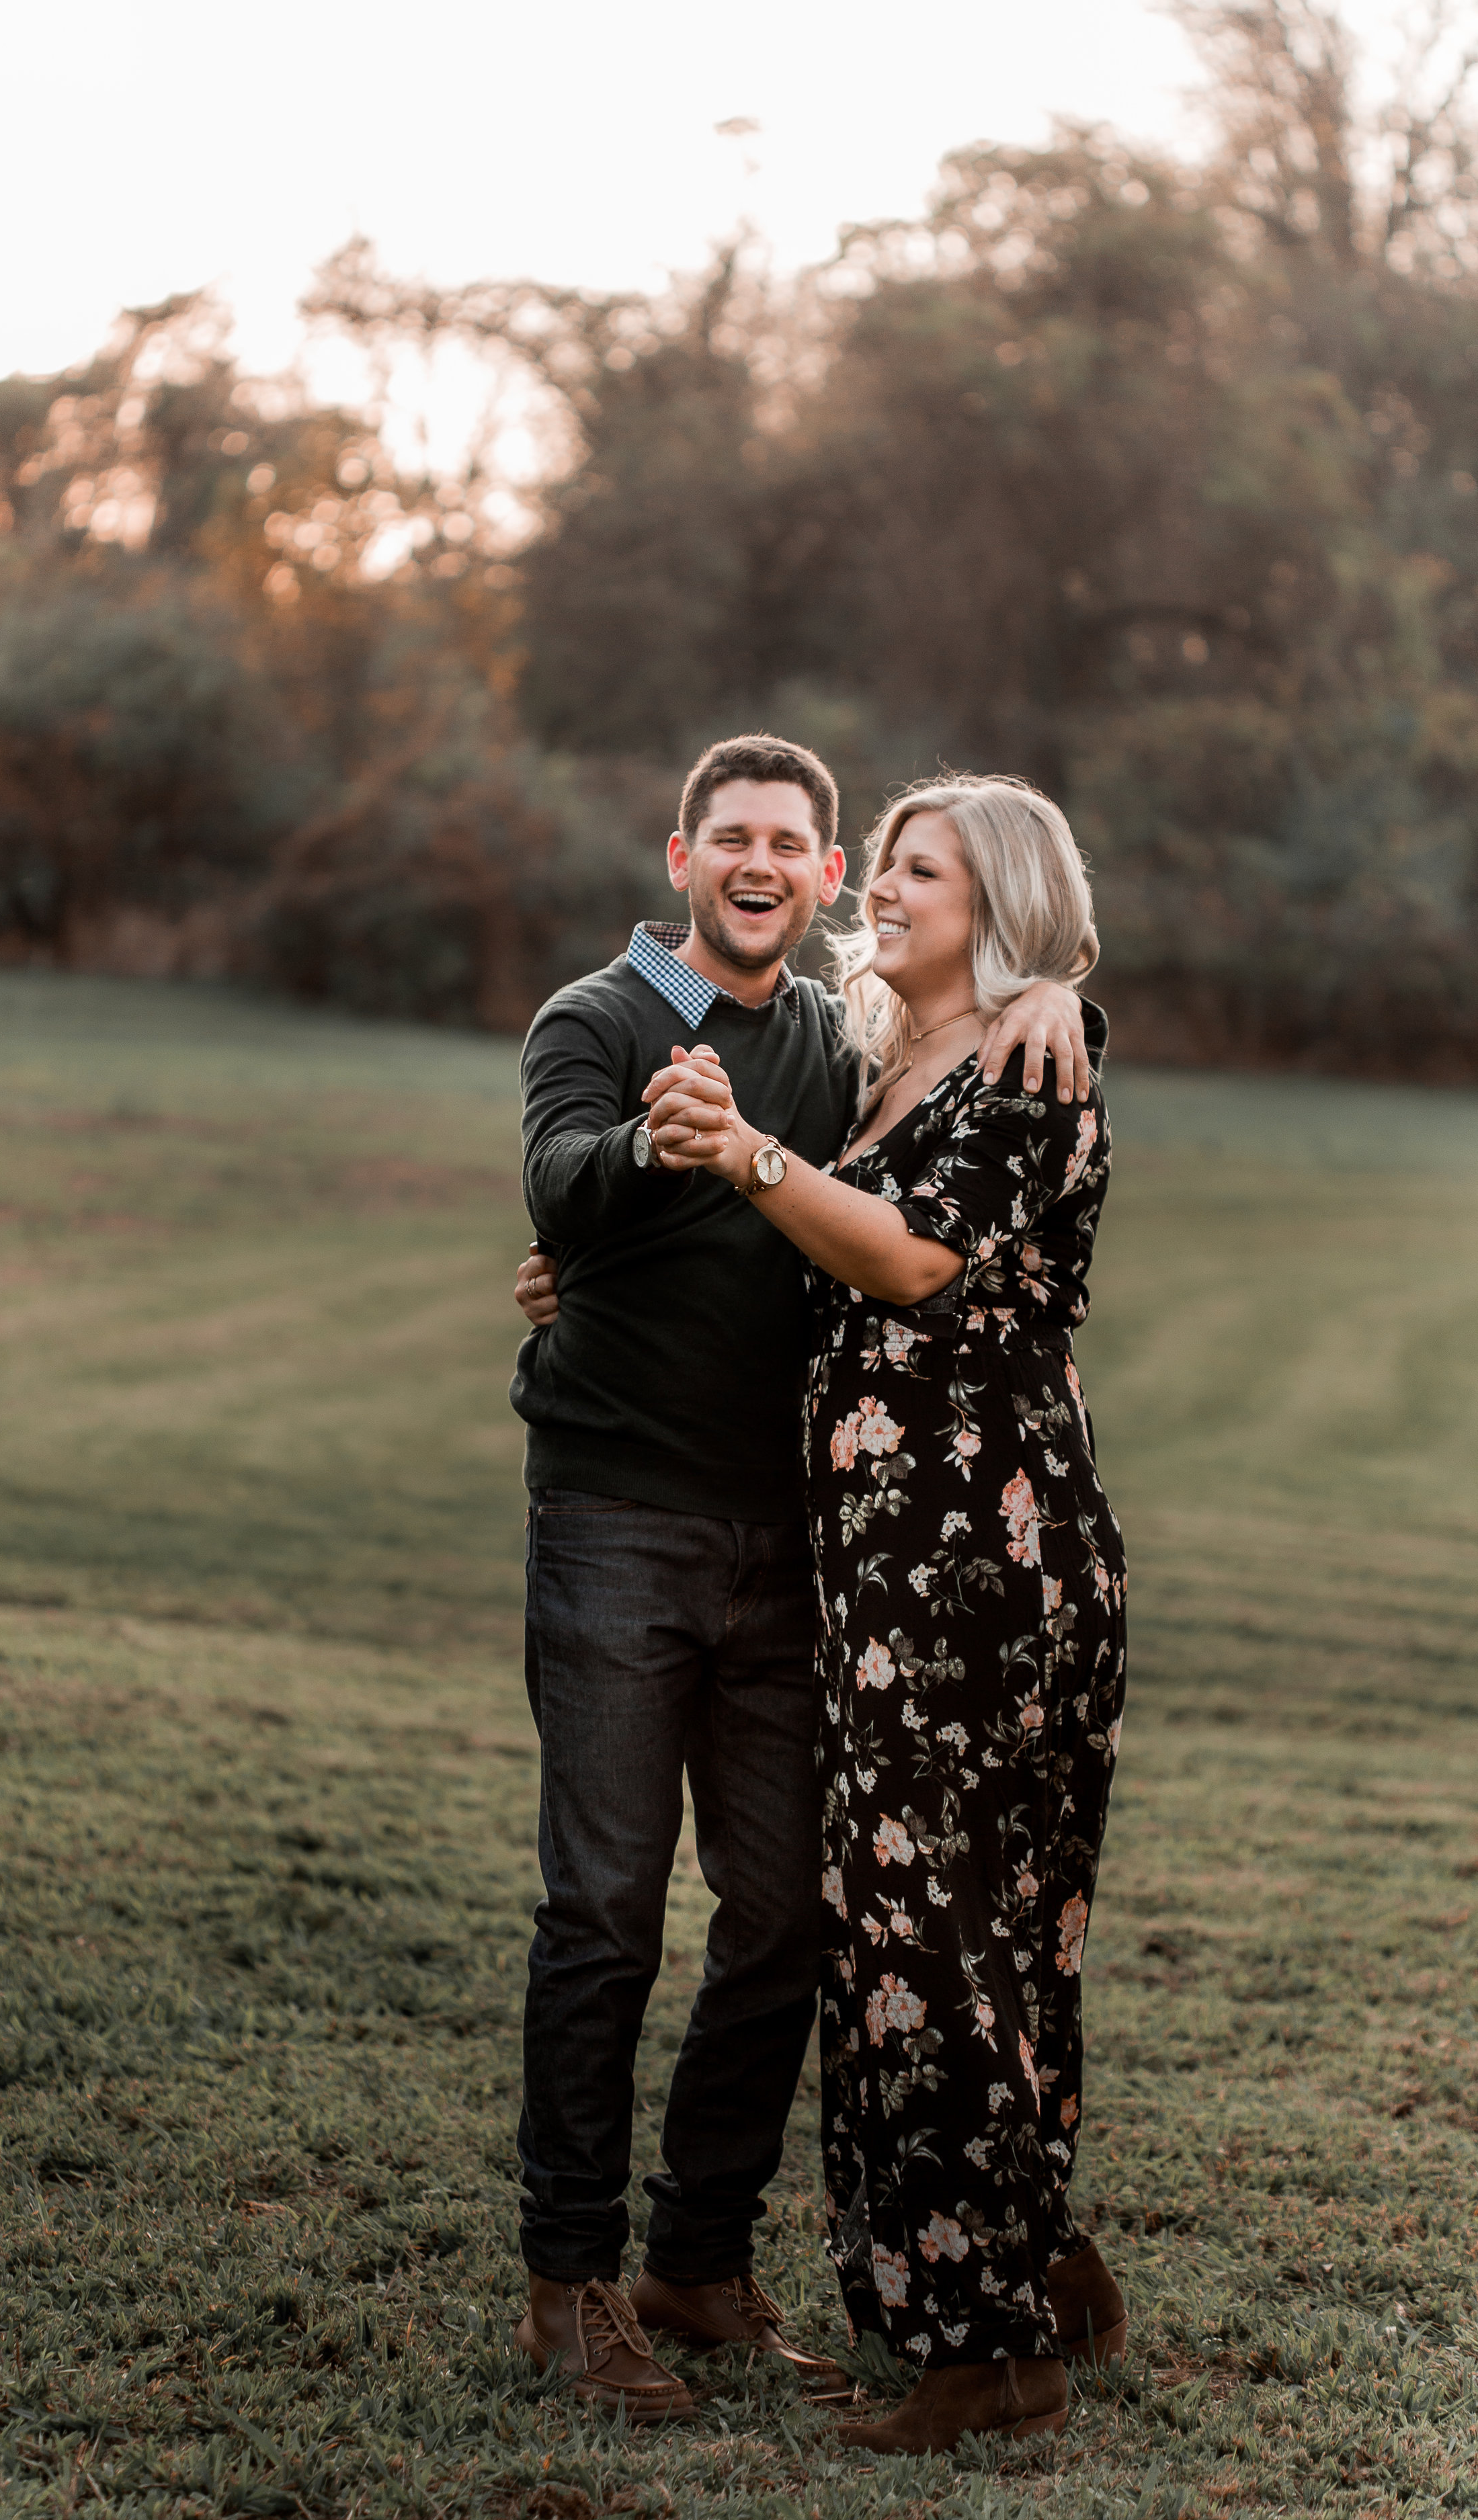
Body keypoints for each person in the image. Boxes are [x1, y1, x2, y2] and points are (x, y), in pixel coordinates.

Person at [506, 734, 1090, 2421]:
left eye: (795, 844)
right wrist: (648, 1153)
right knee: (604, 1915)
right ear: (678, 855)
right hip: (615, 1524)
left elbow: (949, 1104)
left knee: (783, 1922)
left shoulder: (848, 1051)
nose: (762, 863)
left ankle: (696, 2263)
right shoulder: (597, 1023)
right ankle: (570, 2287)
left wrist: (1059, 988)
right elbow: (557, 1184)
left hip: (797, 1553)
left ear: (821, 878)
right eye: (730, 838)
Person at [639, 773, 1127, 2455]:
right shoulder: (885, 1057)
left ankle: (983, 2354)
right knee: (947, 1923)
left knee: (936, 1931)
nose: (889, 893)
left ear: (994, 901)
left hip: (978, 1566)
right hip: (888, 1557)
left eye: (925, 871)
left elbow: (912, 1261)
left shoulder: (1024, 1056)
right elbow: (809, 1236)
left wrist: (750, 1149)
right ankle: (1030, 2264)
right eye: (894, 867)